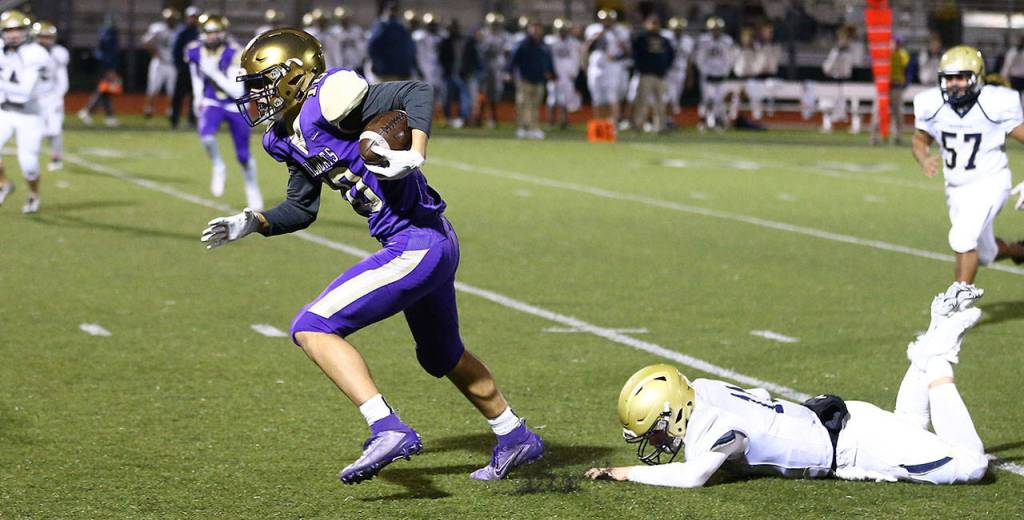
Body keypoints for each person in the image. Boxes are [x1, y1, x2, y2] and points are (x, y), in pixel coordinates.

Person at [201, 28, 544, 484]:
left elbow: (416, 91)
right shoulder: (282, 136)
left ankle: (386, 427)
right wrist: (255, 221)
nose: (256, 95)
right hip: (430, 240)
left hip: (415, 243)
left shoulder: (332, 96)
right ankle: (515, 434)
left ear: (294, 75)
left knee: (311, 326)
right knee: (441, 355)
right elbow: (302, 208)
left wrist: (414, 153)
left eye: (262, 82)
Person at [586, 289, 990, 487]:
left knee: (971, 465)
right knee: (911, 424)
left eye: (656, 430)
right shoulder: (703, 388)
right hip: (846, 423)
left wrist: (623, 472)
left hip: (858, 444)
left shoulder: (711, 426)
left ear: (674, 412)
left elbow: (693, 476)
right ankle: (932, 336)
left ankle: (939, 355)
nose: (657, 441)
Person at [912, 45, 1024, 302]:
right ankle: (1020, 251)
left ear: (977, 77)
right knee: (983, 253)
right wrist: (923, 158)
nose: (954, 84)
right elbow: (919, 141)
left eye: (961, 77)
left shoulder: (993, 104)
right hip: (956, 188)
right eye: (949, 78)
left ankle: (954, 309)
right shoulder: (933, 105)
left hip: (990, 182)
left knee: (962, 237)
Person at [186, 14, 262, 210]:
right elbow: (196, 74)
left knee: (243, 156)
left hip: (236, 105)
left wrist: (214, 74)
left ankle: (252, 187)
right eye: (208, 32)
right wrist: (198, 97)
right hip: (213, 101)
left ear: (223, 33)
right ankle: (219, 165)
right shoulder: (195, 50)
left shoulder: (234, 52)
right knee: (206, 135)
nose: (212, 36)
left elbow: (237, 91)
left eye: (216, 32)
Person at [0, 9, 49, 213]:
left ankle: (33, 195)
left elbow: (24, 92)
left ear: (26, 31)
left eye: (18, 29)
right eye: (8, 30)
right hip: (4, 111)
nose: (13, 34)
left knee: (28, 163)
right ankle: (4, 183)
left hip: (29, 114)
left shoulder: (36, 53)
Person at [32, 21, 68, 172]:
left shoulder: (58, 53)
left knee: (55, 130)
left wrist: (59, 96)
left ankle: (56, 157)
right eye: (41, 37)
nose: (44, 40)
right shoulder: (28, 52)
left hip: (52, 96)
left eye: (47, 37)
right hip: (33, 98)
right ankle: (30, 156)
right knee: (34, 130)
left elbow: (62, 78)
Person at [507, 21, 553, 139]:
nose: (536, 31)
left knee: (535, 105)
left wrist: (550, 72)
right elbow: (513, 60)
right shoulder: (522, 44)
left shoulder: (543, 45)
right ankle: (521, 127)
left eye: (538, 29)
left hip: (539, 79)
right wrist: (509, 72)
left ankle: (534, 128)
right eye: (534, 28)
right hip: (524, 78)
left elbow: (548, 61)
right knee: (522, 104)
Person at [584, 9, 629, 124]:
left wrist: (617, 53)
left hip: (612, 67)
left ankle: (613, 124)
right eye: (605, 19)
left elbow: (627, 52)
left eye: (609, 20)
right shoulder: (593, 29)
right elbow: (586, 49)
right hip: (596, 67)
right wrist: (594, 39)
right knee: (597, 98)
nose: (607, 22)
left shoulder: (620, 31)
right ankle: (600, 125)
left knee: (612, 97)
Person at [630, 15, 674, 133]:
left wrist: (664, 68)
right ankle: (638, 125)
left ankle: (660, 126)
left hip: (660, 75)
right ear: (646, 24)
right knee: (642, 101)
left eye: (656, 23)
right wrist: (641, 67)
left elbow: (671, 56)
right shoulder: (641, 38)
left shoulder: (664, 40)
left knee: (660, 102)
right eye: (652, 23)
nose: (654, 26)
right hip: (646, 74)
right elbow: (636, 55)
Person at [78, 16, 121, 127]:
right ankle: (88, 111)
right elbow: (109, 52)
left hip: (105, 64)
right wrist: (110, 68)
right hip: (106, 65)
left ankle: (108, 116)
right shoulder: (109, 35)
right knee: (103, 89)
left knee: (105, 91)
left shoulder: (106, 34)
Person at [439, 19, 480, 129]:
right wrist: (446, 70)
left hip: (462, 74)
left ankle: (462, 118)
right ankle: (447, 118)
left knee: (464, 98)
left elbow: (472, 58)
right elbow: (442, 58)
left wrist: (468, 70)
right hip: (450, 74)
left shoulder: (466, 41)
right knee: (447, 98)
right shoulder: (446, 42)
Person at [695, 17, 734, 130]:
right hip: (707, 74)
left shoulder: (727, 41)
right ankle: (703, 120)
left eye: (717, 29)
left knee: (719, 99)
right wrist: (704, 71)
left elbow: (730, 58)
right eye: (713, 29)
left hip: (720, 74)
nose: (716, 31)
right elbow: (699, 58)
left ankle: (718, 120)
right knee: (706, 99)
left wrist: (725, 71)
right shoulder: (704, 40)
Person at [821, 25, 861, 133]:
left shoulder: (853, 51)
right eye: (842, 39)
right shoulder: (835, 51)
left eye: (846, 39)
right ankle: (827, 125)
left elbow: (857, 63)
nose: (844, 41)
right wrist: (838, 54)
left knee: (854, 104)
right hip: (835, 80)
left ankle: (856, 126)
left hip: (848, 81)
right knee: (827, 103)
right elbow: (827, 68)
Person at [544, 18, 581, 130]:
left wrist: (574, 72)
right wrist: (548, 72)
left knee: (566, 99)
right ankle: (551, 122)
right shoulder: (550, 42)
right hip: (555, 74)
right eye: (561, 30)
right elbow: (546, 58)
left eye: (564, 30)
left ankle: (564, 122)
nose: (563, 32)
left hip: (567, 75)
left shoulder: (573, 43)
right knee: (552, 98)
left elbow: (576, 59)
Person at [141, 8, 179, 119]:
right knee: (153, 87)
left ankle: (170, 110)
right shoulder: (158, 28)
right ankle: (149, 108)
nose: (170, 21)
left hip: (172, 63)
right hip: (160, 62)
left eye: (172, 19)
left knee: (172, 89)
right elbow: (146, 41)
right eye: (168, 18)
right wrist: (154, 53)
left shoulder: (178, 31)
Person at [367, 4, 416, 81]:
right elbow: (372, 46)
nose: (392, 12)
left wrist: (407, 66)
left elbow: (409, 49)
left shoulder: (401, 27)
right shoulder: (381, 26)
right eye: (391, 10)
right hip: (385, 71)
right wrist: (378, 64)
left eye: (394, 10)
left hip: (399, 71)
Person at [170, 6, 200, 128]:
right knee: (178, 96)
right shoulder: (182, 32)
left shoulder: (199, 32)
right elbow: (176, 50)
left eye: (194, 17)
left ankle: (191, 119)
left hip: (196, 70)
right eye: (191, 17)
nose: (192, 20)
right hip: (184, 69)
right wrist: (179, 66)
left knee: (194, 96)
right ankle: (174, 119)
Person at [662, 17, 693, 121]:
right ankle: (666, 119)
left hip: (680, 72)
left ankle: (669, 119)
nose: (678, 31)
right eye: (676, 29)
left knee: (675, 98)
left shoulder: (688, 40)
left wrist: (689, 75)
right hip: (667, 71)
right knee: (667, 97)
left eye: (680, 29)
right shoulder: (665, 37)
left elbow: (688, 59)